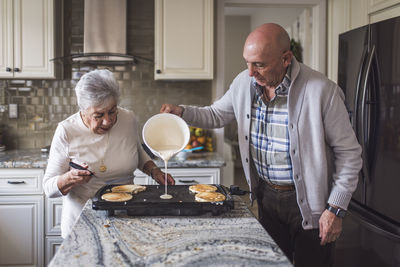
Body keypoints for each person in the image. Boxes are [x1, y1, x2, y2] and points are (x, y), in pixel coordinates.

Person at [160, 23, 362, 266]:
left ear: (286, 58)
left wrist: (335, 209)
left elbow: (349, 154)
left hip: (310, 203)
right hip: (266, 197)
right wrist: (181, 112)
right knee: (272, 262)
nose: (250, 72)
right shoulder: (244, 84)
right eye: (247, 62)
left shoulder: (322, 91)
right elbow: (215, 114)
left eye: (259, 64)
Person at [43, 69, 175, 238]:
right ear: (83, 110)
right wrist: (69, 179)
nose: (108, 121)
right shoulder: (67, 130)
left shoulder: (128, 119)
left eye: (112, 111)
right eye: (98, 115)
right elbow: (48, 188)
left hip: (126, 216)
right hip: (83, 222)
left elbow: (137, 152)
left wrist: (154, 171)